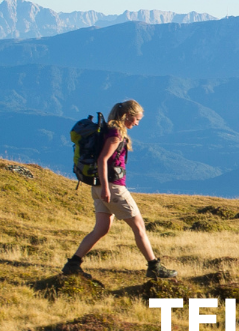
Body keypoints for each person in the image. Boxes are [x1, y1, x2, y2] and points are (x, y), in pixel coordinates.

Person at [62, 99, 177, 279]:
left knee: (101, 229)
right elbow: (102, 160)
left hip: (98, 187)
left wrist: (102, 188)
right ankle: (154, 266)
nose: (137, 123)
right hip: (112, 188)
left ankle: (73, 264)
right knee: (139, 226)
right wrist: (106, 189)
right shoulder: (116, 134)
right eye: (137, 119)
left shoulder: (108, 130)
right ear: (128, 116)